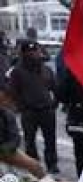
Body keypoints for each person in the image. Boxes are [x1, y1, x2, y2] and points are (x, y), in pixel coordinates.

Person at [9, 41, 58, 174]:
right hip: (29, 111)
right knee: (30, 140)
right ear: (24, 54)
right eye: (30, 52)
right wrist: (22, 106)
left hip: (47, 110)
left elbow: (55, 87)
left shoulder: (46, 69)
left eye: (35, 51)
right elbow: (13, 91)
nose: (33, 54)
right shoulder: (17, 71)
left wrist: (55, 102)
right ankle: (33, 164)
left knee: (50, 139)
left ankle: (52, 163)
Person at [0, 78, 44, 178]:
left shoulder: (7, 114)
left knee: (35, 165)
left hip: (4, 149)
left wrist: (6, 149)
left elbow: (15, 137)